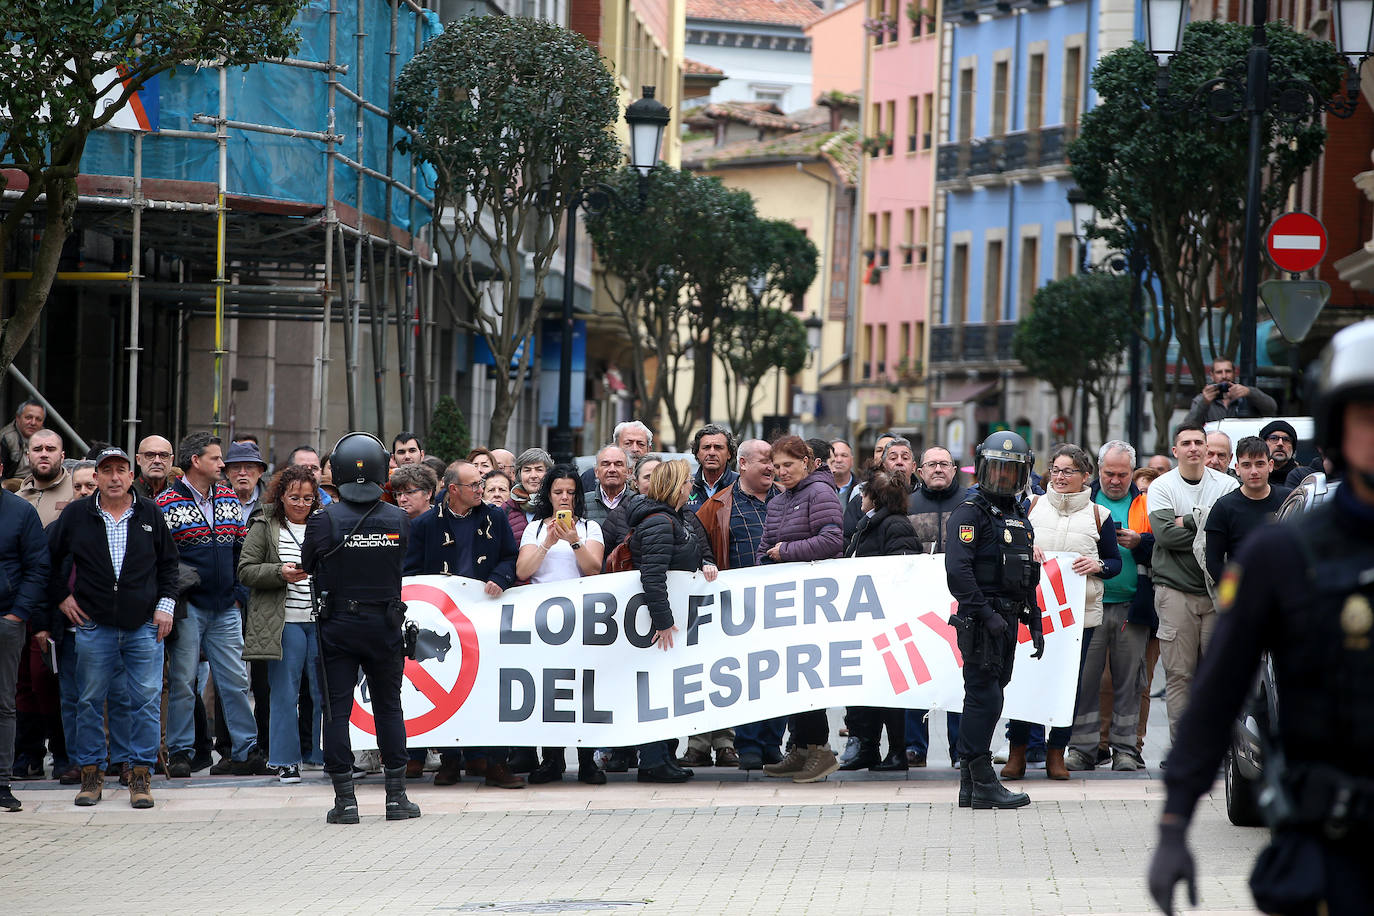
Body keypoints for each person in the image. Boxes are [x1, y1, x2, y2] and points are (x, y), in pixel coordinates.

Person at [1148, 319, 1374, 916]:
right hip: (1328, 846)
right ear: (1336, 427)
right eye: (1367, 417)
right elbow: (1219, 694)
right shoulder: (1284, 553)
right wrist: (1174, 824)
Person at [47, 447, 177, 809]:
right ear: (98, 477)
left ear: (131, 476)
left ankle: (140, 777)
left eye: (121, 470)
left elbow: (169, 565)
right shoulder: (76, 515)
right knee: (88, 702)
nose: (115, 477)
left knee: (146, 702)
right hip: (94, 626)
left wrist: (166, 606)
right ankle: (91, 776)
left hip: (143, 626)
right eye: (107, 471)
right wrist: (62, 598)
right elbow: (48, 561)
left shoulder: (150, 513)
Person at [301, 432, 419, 824]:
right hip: (385, 625)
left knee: (336, 711)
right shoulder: (398, 518)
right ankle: (396, 798)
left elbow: (307, 562)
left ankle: (345, 801)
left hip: (338, 624)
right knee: (389, 708)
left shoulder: (323, 521)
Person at [1003, 444, 1121, 780]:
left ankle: (1057, 752)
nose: (1059, 476)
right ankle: (1018, 752)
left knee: (1066, 686)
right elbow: (1008, 542)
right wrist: (1026, 546)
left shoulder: (1099, 516)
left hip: (1076, 618)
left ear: (1085, 476)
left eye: (1068, 471)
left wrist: (1097, 564)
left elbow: (1114, 562)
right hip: (1031, 612)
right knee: (1025, 680)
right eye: (1055, 469)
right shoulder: (1032, 506)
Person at [405, 460, 522, 788]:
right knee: (448, 685)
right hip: (443, 624)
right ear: (453, 489)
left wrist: (500, 577)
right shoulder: (426, 524)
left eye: (482, 482)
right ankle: (449, 761)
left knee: (490, 688)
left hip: (486, 618)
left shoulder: (495, 517)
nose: (481, 489)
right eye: (474, 485)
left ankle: (496, 763)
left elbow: (509, 557)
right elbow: (410, 572)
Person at [944, 431, 1043, 809]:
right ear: (983, 469)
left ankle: (971, 786)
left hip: (1007, 616)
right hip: (982, 618)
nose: (1003, 478)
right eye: (997, 470)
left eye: (1010, 472)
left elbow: (1026, 571)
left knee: (991, 695)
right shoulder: (971, 512)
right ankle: (982, 780)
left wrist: (1032, 619)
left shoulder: (1019, 514)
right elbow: (958, 572)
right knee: (984, 697)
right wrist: (986, 614)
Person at [158, 432, 264, 777]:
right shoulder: (166, 503)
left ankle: (246, 751)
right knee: (183, 681)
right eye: (217, 459)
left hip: (225, 607)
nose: (223, 465)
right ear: (196, 462)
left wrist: (237, 594)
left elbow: (241, 550)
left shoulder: (229, 496)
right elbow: (162, 560)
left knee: (234, 681)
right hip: (189, 608)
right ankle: (181, 753)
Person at [513, 465, 607, 785]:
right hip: (544, 623)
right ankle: (550, 759)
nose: (564, 498)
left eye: (570, 492)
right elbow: (524, 570)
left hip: (581, 619)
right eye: (558, 492)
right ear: (548, 496)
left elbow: (594, 569)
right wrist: (548, 543)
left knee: (584, 691)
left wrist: (575, 540)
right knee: (549, 690)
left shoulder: (590, 527)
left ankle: (587, 760)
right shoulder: (535, 528)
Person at [758, 436, 844, 783]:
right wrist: (767, 559)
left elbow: (833, 539)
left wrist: (785, 551)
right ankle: (802, 748)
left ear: (807, 462)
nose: (781, 472)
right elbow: (766, 545)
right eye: (776, 467)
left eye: (788, 465)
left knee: (808, 677)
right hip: (786, 602)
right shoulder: (780, 500)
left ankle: (820, 750)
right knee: (791, 678)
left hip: (814, 602)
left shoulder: (820, 493)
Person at [626, 459, 718, 783]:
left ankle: (665, 755)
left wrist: (706, 563)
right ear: (677, 486)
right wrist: (663, 622)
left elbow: (695, 555)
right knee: (658, 688)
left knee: (669, 688)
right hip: (658, 625)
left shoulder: (679, 519)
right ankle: (652, 760)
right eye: (687, 482)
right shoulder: (659, 523)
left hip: (674, 621)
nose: (692, 486)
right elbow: (652, 577)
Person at [1147, 423, 1238, 743]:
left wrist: (1186, 519)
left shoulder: (1227, 485)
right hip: (1175, 592)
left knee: (1216, 676)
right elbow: (1165, 536)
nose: (1194, 448)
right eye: (1186, 443)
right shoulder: (1161, 486)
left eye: (1199, 442)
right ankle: (1184, 749)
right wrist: (1209, 525)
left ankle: (1217, 751)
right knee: (1179, 676)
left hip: (1217, 592)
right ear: (1175, 451)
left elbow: (1229, 535)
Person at [691, 439, 776, 770]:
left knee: (776, 676)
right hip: (735, 612)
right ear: (743, 465)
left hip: (778, 610)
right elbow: (699, 546)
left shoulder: (785, 501)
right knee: (747, 676)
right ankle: (749, 743)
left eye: (773, 461)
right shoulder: (717, 506)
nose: (771, 467)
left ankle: (771, 743)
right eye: (764, 461)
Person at [239, 464, 326, 784]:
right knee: (284, 693)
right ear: (281, 496)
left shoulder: (324, 523)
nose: (301, 504)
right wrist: (279, 573)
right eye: (294, 497)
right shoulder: (264, 524)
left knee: (324, 691)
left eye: (308, 498)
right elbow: (245, 570)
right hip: (284, 622)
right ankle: (285, 760)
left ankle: (321, 753)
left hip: (319, 620)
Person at [1074, 440, 1155, 772]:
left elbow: (1161, 550)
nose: (1116, 480)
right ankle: (1082, 748)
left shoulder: (1147, 504)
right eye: (1109, 473)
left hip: (1131, 607)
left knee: (1130, 682)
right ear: (1098, 470)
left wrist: (1141, 543)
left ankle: (1125, 749)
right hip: (1088, 604)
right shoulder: (1084, 501)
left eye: (1123, 474)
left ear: (1132, 473)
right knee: (1086, 681)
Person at [838, 470, 920, 773]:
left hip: (887, 623)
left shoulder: (894, 525)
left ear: (876, 497)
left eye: (864, 493)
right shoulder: (870, 524)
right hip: (866, 622)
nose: (860, 497)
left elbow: (901, 572)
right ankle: (868, 748)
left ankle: (897, 752)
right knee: (867, 690)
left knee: (889, 692)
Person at [901, 444, 966, 768]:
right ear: (920, 471)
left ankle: (960, 750)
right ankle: (914, 746)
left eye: (945, 464)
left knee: (959, 677)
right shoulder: (907, 504)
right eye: (932, 464)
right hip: (919, 604)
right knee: (917, 673)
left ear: (954, 470)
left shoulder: (970, 503)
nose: (938, 469)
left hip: (961, 604)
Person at [0, 476, 49, 811]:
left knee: (3, 704)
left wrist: (17, 614)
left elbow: (38, 567)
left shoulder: (20, 511)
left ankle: (2, 782)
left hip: (6, 620)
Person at [1203, 436, 1290, 586]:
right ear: (1237, 468)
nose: (1254, 471)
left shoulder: (1289, 499)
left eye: (1260, 464)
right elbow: (1213, 563)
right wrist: (1237, 594)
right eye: (1247, 465)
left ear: (1270, 465)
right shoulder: (1223, 507)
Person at [844, 435, 915, 542]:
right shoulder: (863, 499)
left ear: (914, 466)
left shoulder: (923, 496)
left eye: (905, 458)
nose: (899, 462)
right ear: (883, 465)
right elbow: (846, 540)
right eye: (893, 458)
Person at [1182, 357, 1278, 426]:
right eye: (1219, 372)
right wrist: (1204, 402)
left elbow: (1272, 408)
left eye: (1228, 371)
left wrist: (1250, 392)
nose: (1224, 376)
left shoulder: (1246, 393)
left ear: (1234, 373)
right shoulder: (1203, 398)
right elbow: (1188, 426)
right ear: (1212, 375)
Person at [602, 453, 660, 557]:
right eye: (648, 477)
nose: (655, 482)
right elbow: (603, 558)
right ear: (636, 482)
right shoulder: (618, 516)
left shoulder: (681, 512)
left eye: (660, 476)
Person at [17, 429, 74, 526]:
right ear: (28, 456)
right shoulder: (16, 499)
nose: (44, 454)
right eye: (37, 449)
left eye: (50, 449)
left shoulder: (77, 490)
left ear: (62, 457)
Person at [579, 420, 654, 492]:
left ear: (649, 449)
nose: (635, 449)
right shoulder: (590, 477)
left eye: (641, 444)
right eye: (628, 443)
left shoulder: (658, 476)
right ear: (615, 446)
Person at [684, 424, 738, 514]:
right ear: (697, 453)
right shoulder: (684, 485)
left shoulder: (740, 485)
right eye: (706, 447)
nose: (712, 452)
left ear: (729, 453)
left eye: (718, 447)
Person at [505, 447, 552, 543]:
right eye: (527, 470)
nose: (533, 475)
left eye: (539, 470)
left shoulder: (555, 506)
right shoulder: (506, 508)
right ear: (519, 475)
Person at [583, 445, 630, 526]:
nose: (612, 469)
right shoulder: (583, 502)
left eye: (618, 464)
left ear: (628, 472)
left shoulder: (638, 502)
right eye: (606, 464)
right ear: (596, 472)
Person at [224, 440, 269, 521]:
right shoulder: (214, 500)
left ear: (260, 471)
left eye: (249, 467)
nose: (242, 473)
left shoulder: (271, 502)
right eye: (236, 467)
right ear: (227, 472)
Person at [0, 399, 45, 480]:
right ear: (18, 418)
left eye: (38, 419)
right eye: (28, 417)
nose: (33, 423)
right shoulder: (5, 437)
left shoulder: (47, 438)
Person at [132, 435, 178, 499]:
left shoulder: (180, 496)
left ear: (171, 460)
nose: (157, 461)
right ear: (138, 459)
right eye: (150, 455)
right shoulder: (126, 494)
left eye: (163, 455)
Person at [1258, 419, 1301, 487]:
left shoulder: (1303, 479)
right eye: (1274, 438)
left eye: (1286, 439)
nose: (1280, 443)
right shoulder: (1252, 478)